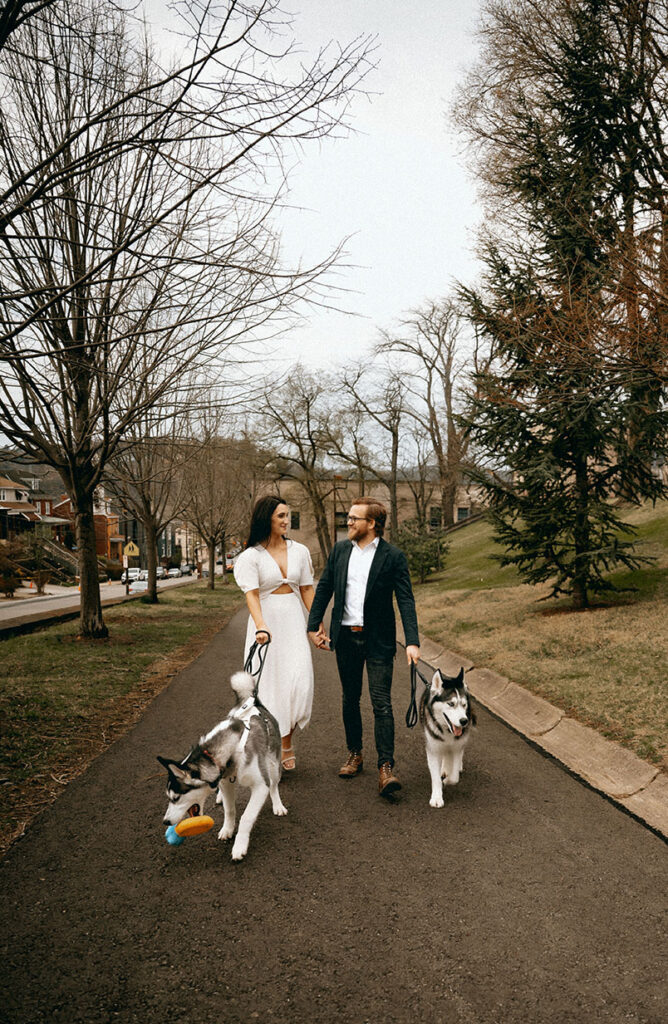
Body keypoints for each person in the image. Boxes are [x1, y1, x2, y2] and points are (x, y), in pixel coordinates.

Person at [307, 496, 420, 796]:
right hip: (346, 637)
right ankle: (355, 753)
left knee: (381, 703)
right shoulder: (341, 550)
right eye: (349, 517)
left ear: (372, 524)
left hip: (378, 639)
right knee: (350, 699)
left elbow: (406, 599)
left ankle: (386, 767)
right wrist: (313, 623)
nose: (349, 522)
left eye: (355, 518)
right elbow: (325, 586)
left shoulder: (393, 556)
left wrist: (412, 642)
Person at [234, 496, 315, 771]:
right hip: (266, 625)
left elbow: (306, 589)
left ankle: (287, 740)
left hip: (293, 620)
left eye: (287, 515)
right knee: (269, 687)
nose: (286, 520)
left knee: (298, 682)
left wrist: (316, 623)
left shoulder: (300, 551)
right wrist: (260, 625)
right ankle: (273, 746)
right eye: (280, 515)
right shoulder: (250, 556)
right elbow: (252, 595)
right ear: (266, 518)